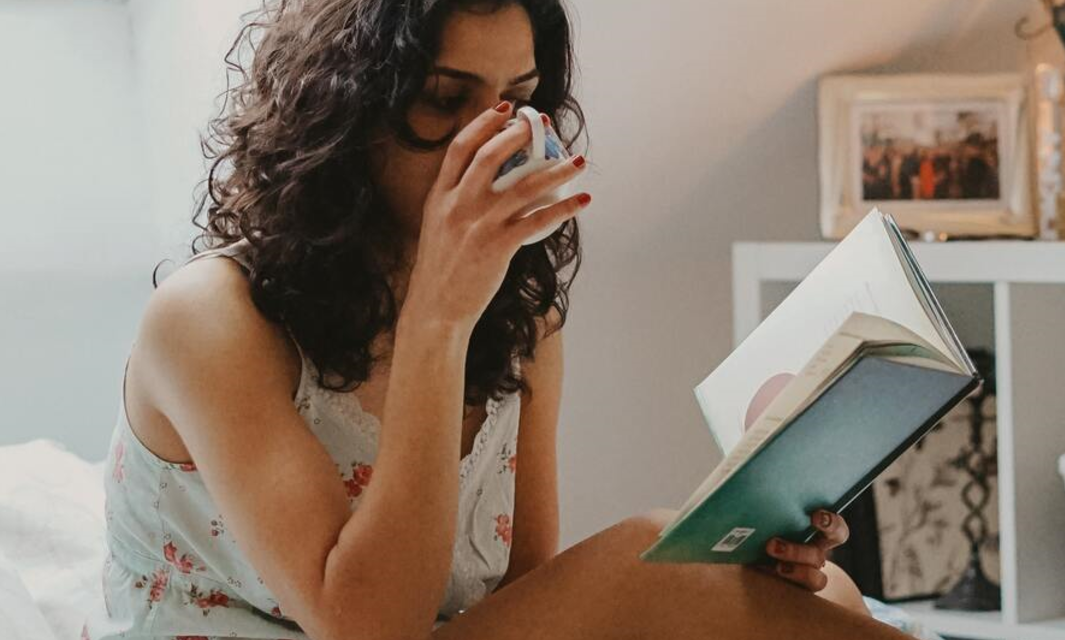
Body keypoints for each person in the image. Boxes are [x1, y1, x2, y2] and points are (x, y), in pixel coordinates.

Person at [90, 1, 912, 639]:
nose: (492, 141)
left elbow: (527, 603)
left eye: (517, 101)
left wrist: (752, 566)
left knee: (814, 590)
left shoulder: (522, 313)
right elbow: (366, 627)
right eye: (446, 100)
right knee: (648, 558)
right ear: (344, 115)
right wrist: (436, 323)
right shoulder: (210, 319)